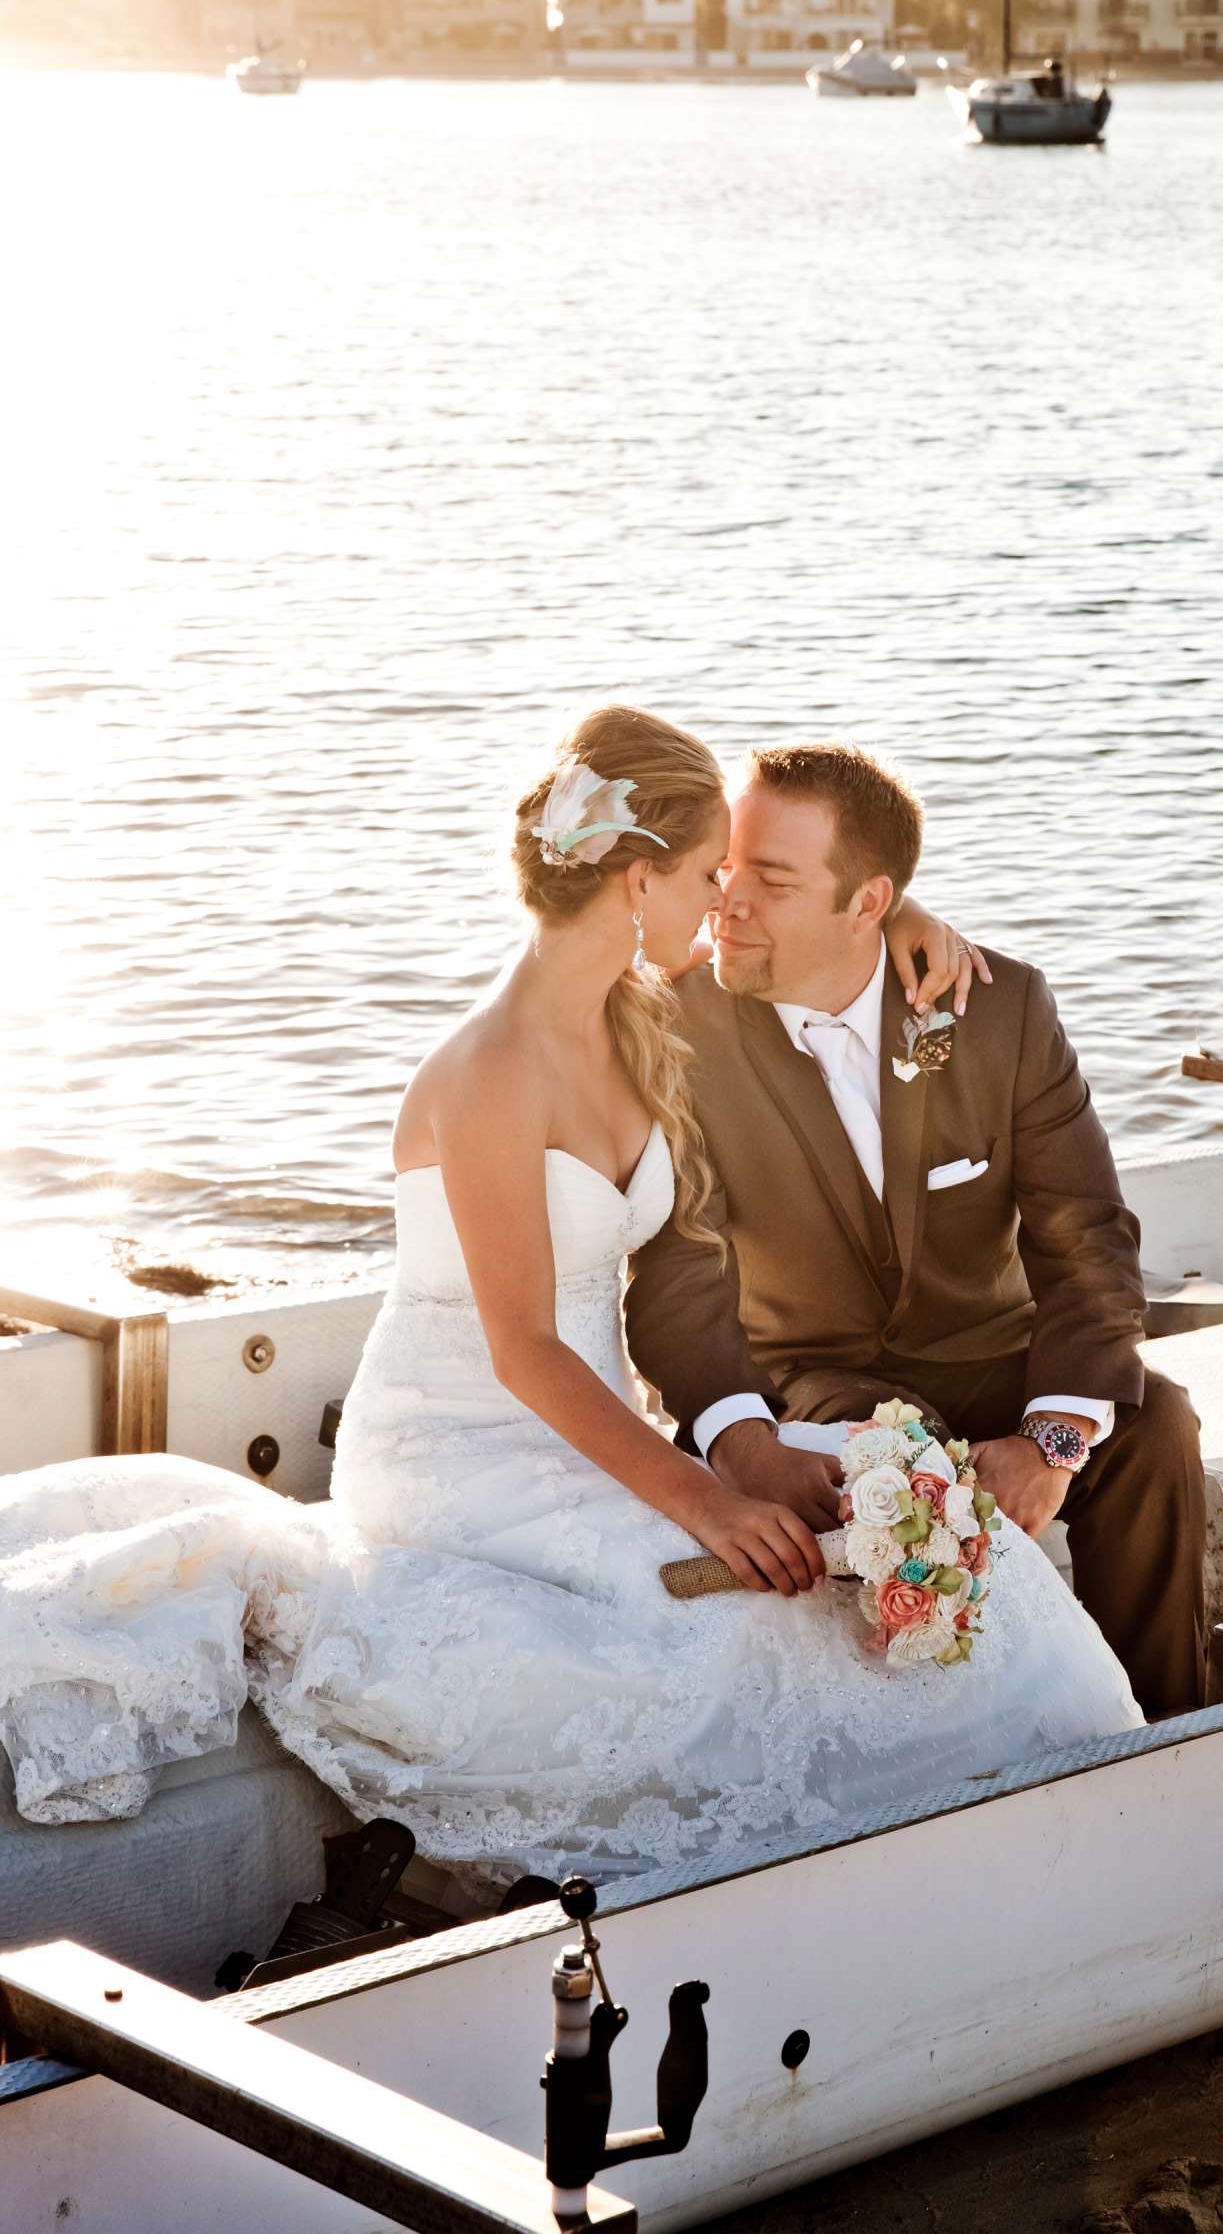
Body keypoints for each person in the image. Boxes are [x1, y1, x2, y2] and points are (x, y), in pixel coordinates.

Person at [0, 706, 1143, 1888]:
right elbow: (525, 1352)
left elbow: (821, 941)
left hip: (597, 1442)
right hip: (470, 1451)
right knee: (730, 1628)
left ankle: (1073, 1825)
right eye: (709, 877)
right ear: (637, 879)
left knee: (881, 1580)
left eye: (742, 881)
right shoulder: (491, 1071)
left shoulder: (638, 1015)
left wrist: (896, 911)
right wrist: (705, 1498)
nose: (725, 905)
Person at [624, 741, 1206, 1721]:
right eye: (726, 870)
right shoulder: (679, 1031)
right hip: (804, 1368)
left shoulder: (993, 1009)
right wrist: (738, 1443)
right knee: (904, 1456)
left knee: (1155, 1424)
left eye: (770, 881)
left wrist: (1047, 1442)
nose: (727, 902)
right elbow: (680, 1273)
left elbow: (1087, 1238)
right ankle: (959, 1748)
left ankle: (1166, 1733)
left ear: (869, 903)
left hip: (987, 1350)